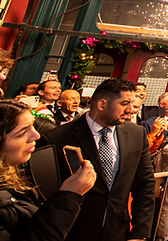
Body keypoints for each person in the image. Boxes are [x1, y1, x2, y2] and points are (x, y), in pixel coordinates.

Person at [39, 77, 155, 241]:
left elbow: (144, 185)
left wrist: (140, 233)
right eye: (124, 103)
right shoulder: (57, 138)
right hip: (73, 232)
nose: (131, 109)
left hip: (116, 232)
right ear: (102, 104)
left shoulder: (137, 134)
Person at [0, 100, 98, 241]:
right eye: (22, 133)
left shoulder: (15, 171)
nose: (36, 136)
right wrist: (69, 196)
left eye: (33, 127)